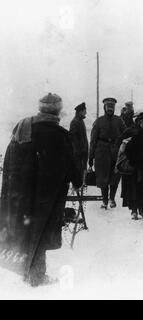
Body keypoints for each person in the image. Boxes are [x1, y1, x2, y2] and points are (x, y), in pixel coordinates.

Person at [0, 93, 82, 287]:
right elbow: (70, 164)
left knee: (26, 230)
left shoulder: (23, 128)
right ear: (58, 110)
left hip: (21, 193)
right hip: (46, 196)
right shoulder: (59, 134)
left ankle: (26, 271)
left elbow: (10, 160)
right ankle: (36, 276)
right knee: (41, 232)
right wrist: (78, 180)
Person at [89, 97, 126, 209]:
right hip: (101, 152)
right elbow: (93, 140)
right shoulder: (99, 121)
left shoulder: (119, 120)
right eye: (108, 107)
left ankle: (112, 199)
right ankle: (104, 200)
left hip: (115, 151)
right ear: (104, 108)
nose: (110, 109)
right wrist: (91, 156)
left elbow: (125, 134)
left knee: (115, 176)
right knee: (102, 176)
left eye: (112, 107)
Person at [69, 102, 89, 179]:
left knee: (82, 173)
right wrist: (80, 150)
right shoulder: (75, 122)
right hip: (78, 154)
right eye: (84, 111)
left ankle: (80, 189)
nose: (86, 112)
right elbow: (73, 139)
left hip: (82, 154)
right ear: (80, 111)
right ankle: (76, 189)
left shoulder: (80, 121)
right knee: (78, 173)